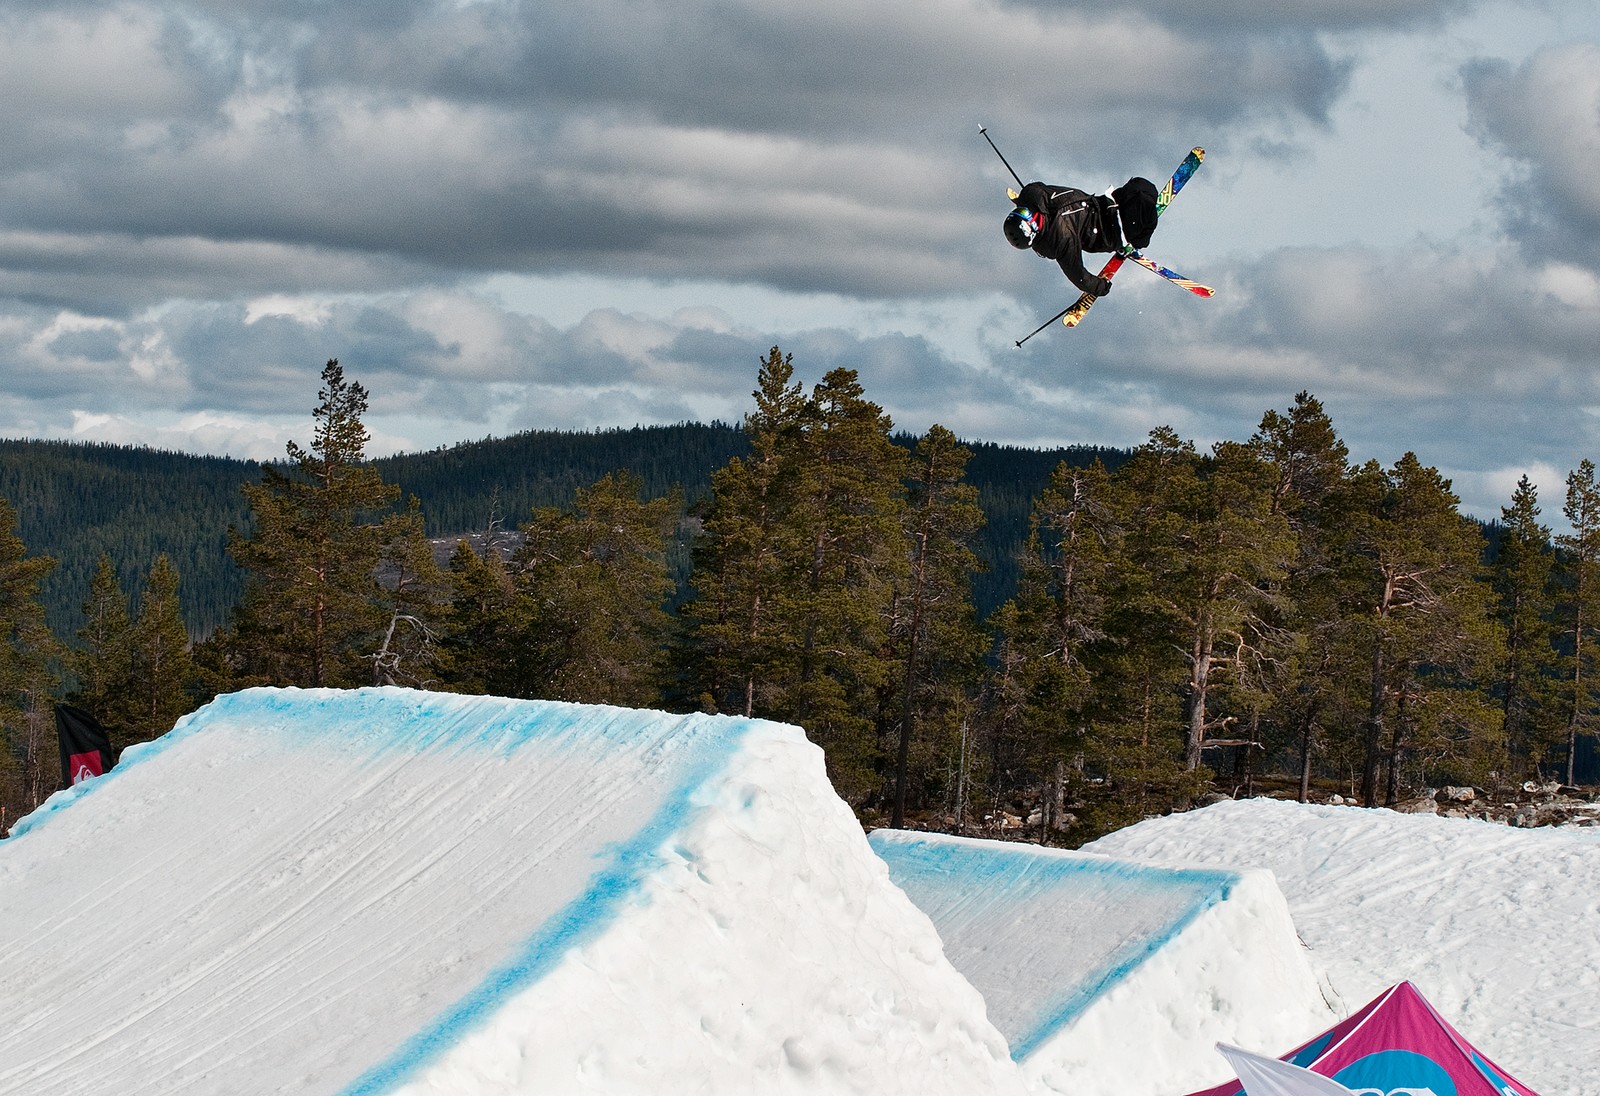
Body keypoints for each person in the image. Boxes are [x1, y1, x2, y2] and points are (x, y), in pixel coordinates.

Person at [1004, 176, 1159, 298]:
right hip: (1112, 232)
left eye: (1023, 210)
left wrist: (1022, 200)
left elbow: (1034, 189)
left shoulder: (1032, 195)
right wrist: (1101, 286)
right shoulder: (1061, 240)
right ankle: (1137, 241)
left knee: (1141, 186)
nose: (1027, 210)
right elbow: (1078, 276)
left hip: (1104, 204)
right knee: (1144, 204)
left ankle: (1139, 223)